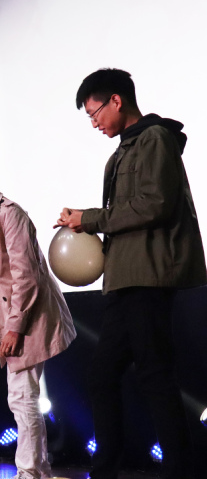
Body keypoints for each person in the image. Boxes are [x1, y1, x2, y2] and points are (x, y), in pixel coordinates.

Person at [56, 69, 207, 479]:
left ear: (117, 101)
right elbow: (128, 212)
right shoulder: (123, 150)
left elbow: (154, 204)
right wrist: (85, 224)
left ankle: (180, 471)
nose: (94, 123)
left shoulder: (154, 138)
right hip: (124, 278)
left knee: (155, 375)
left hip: (148, 277)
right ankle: (106, 470)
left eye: (95, 113)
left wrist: (89, 218)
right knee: (102, 374)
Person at [0, 154, 76, 479]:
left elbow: (26, 276)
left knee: (22, 398)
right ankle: (38, 472)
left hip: (29, 318)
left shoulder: (10, 214)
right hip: (15, 317)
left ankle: (29, 473)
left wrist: (15, 328)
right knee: (21, 399)